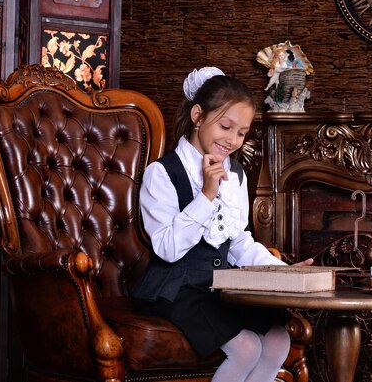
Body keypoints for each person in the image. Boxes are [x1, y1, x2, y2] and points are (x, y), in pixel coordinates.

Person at [132, 66, 313, 382]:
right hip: (176, 290)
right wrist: (206, 194)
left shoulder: (237, 176)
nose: (232, 140)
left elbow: (239, 242)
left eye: (241, 133)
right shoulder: (162, 174)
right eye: (226, 127)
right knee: (245, 348)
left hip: (219, 289)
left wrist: (283, 272)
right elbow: (167, 249)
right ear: (198, 116)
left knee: (277, 340)